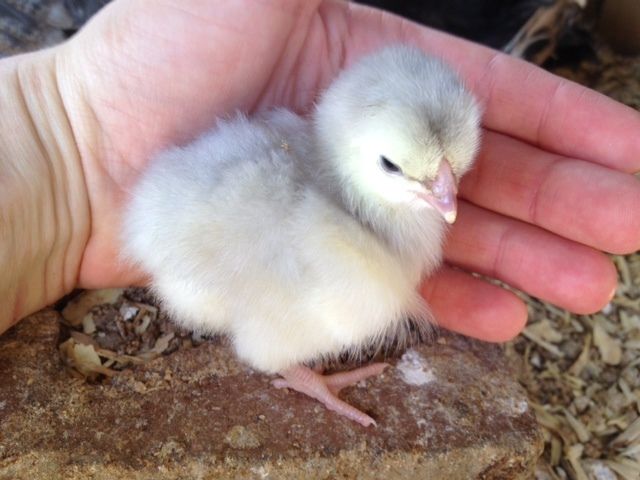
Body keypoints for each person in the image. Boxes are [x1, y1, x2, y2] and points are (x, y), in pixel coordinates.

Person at [1, 0, 639, 341]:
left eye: (451, 168)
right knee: (363, 292)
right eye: (402, 167)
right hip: (205, 257)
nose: (447, 196)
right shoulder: (346, 246)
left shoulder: (308, 149)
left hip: (180, 222)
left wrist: (57, 143)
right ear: (356, 143)